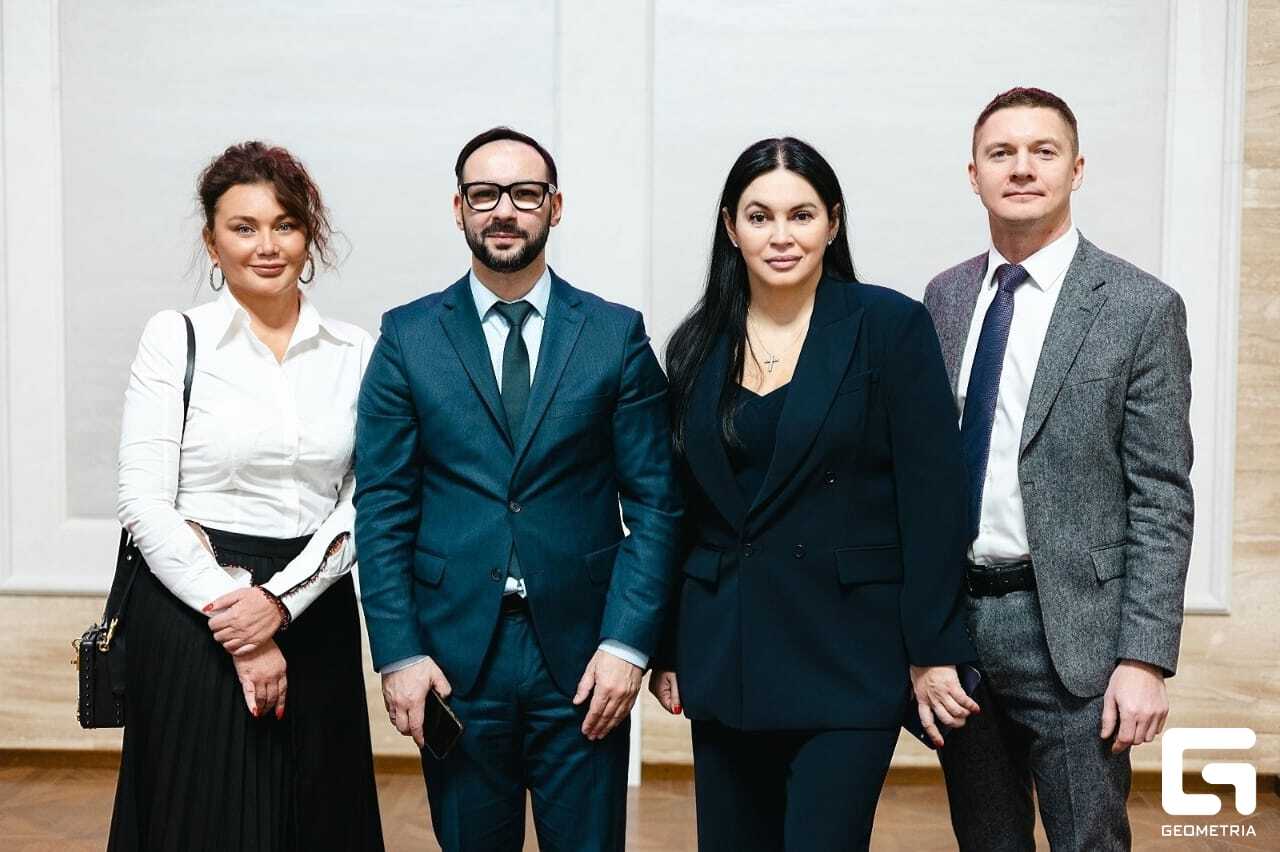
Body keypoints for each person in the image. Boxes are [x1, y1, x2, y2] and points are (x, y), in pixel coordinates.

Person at [354, 126, 681, 852]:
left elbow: (657, 505)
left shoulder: (614, 334)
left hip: (586, 659)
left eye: (525, 194)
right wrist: (398, 653)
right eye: (485, 194)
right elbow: (381, 510)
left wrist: (629, 643)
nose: (504, 210)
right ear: (459, 209)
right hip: (454, 660)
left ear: (554, 207)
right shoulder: (407, 337)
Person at [648, 137, 978, 852]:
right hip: (725, 651)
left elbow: (934, 501)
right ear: (730, 227)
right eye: (759, 216)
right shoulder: (695, 345)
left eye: (800, 215)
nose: (781, 235)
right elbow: (680, 509)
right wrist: (667, 645)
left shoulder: (889, 328)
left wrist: (933, 648)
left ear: (833, 222)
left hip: (848, 654)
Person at [925, 87, 1194, 851]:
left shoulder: (1139, 307)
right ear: (973, 174)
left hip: (1079, 640)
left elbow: (1162, 495)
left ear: (1075, 170)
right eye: (1001, 153)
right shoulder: (944, 299)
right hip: (963, 633)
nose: (1021, 168)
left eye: (1042, 152)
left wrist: (1143, 658)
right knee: (986, 840)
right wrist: (923, 638)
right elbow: (923, 478)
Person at [109, 141, 384, 851]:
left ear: (309, 237)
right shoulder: (176, 338)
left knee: (319, 819)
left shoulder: (356, 351)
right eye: (244, 227)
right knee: (205, 820)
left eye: (285, 225)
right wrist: (240, 621)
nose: (267, 245)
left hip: (314, 605)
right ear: (212, 241)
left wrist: (281, 604)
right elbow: (143, 503)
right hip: (193, 610)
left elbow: (370, 496)